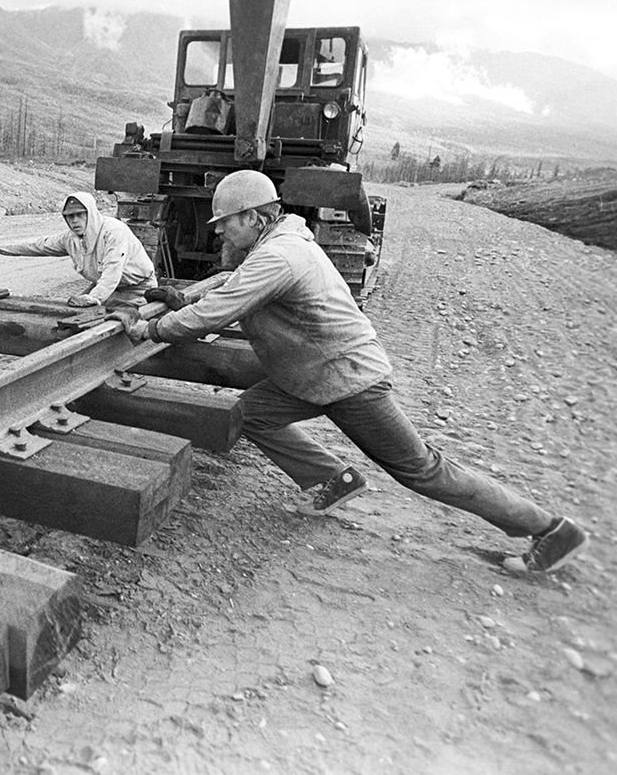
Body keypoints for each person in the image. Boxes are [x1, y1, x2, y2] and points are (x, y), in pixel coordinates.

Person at [108, 169, 588, 573]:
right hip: (310, 374)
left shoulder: (279, 256)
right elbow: (228, 287)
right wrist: (180, 297)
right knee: (251, 415)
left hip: (348, 380)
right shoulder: (278, 244)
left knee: (422, 470)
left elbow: (216, 313)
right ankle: (335, 478)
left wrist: (150, 331)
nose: (218, 232)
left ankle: (548, 529)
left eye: (225, 223)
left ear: (255, 218)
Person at [0, 191, 157, 308]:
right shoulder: (70, 239)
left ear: (90, 213)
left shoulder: (114, 232)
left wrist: (95, 298)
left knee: (124, 326)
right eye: (69, 217)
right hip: (105, 290)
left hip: (137, 290)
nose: (74, 221)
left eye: (79, 215)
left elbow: (112, 272)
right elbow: (37, 245)